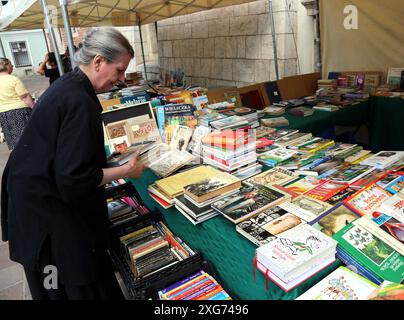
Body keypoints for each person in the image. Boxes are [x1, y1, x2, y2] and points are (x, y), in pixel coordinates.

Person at [1, 27, 145, 300]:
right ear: (99, 61)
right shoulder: (79, 100)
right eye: (119, 71)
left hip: (33, 203)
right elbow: (73, 178)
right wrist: (127, 170)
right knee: (62, 282)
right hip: (44, 215)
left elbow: (67, 155)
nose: (122, 79)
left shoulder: (69, 85)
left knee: (56, 281)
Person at [0, 57, 34, 150]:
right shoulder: (13, 79)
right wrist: (34, 107)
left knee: (14, 141)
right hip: (19, 112)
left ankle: (19, 159)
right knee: (27, 139)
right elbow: (24, 96)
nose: (12, 66)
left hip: (4, 114)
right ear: (6, 66)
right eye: (10, 64)